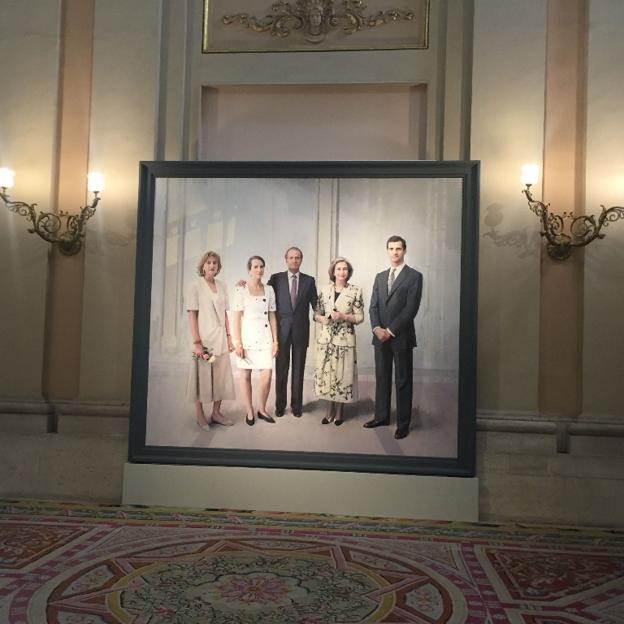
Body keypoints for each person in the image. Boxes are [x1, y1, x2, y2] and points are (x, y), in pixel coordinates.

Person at [365, 235, 423, 439]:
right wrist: (376, 329)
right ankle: (381, 417)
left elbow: (411, 309)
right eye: (391, 248)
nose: (395, 252)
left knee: (403, 380)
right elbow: (373, 307)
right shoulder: (380, 277)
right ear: (387, 251)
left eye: (399, 248)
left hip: (401, 336)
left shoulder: (414, 276)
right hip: (379, 336)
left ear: (405, 251)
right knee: (382, 378)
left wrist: (389, 331)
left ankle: (403, 424)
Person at [185, 251, 236, 431]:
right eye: (208, 262)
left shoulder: (222, 286)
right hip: (204, 339)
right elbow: (192, 315)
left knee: (221, 377)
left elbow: (225, 314)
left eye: (215, 262)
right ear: (203, 266)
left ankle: (216, 412)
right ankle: (200, 414)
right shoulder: (195, 286)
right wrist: (197, 342)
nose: (212, 265)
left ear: (218, 266)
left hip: (221, 339)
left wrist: (230, 337)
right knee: (202, 376)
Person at [313, 257, 364, 425]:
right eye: (339, 269)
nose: (342, 272)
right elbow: (316, 313)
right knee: (328, 375)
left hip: (345, 340)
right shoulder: (324, 290)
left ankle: (340, 412)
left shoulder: (355, 291)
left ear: (348, 273)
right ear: (333, 272)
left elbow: (360, 317)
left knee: (343, 375)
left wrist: (344, 316)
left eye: (345, 269)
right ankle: (329, 410)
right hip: (326, 340)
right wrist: (322, 319)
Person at [268, 247, 317, 418]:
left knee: (298, 370)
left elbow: (316, 305)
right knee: (281, 370)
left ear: (301, 260)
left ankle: (297, 406)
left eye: (297, 257)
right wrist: (244, 285)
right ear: (286, 259)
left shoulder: (309, 281)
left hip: (301, 332)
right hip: (281, 332)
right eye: (291, 257)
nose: (294, 260)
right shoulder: (276, 279)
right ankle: (280, 406)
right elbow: (263, 296)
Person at [231, 255, 279, 426]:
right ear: (249, 270)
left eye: (262, 266)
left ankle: (262, 409)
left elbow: (272, 316)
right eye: (256, 267)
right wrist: (237, 343)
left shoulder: (270, 290)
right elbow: (235, 318)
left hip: (265, 338)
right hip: (247, 338)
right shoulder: (240, 290)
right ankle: (249, 411)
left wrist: (275, 341)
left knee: (266, 375)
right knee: (245, 375)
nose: (259, 269)